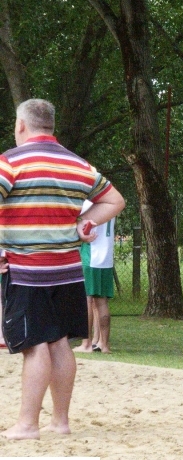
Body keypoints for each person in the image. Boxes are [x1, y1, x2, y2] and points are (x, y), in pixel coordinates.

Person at [1, 99, 125, 440]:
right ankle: (61, 422)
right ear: (51, 125)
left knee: (35, 345)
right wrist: (85, 221)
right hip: (69, 270)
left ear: (21, 125)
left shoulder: (11, 162)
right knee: (59, 343)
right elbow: (115, 200)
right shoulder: (78, 164)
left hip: (27, 270)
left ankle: (28, 424)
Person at [73, 200, 116, 354]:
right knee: (102, 302)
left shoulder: (88, 204)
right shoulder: (111, 204)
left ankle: (86, 344)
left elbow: (79, 226)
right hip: (106, 258)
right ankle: (104, 344)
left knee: (87, 298)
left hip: (90, 255)